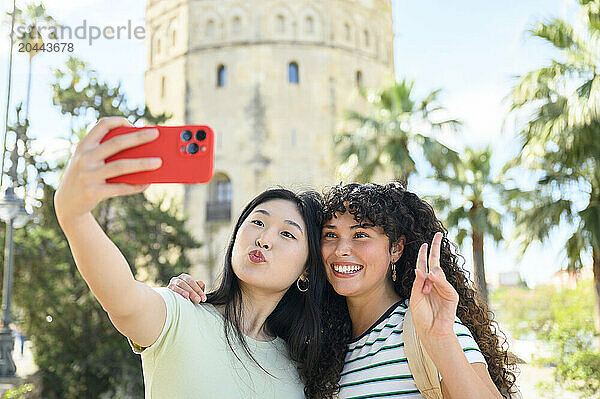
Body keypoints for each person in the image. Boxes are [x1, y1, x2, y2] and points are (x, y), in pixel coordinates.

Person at [54, 116, 344, 398]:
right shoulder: (180, 315)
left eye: (287, 234)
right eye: (258, 222)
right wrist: (74, 216)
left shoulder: (301, 369)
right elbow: (122, 297)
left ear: (307, 269)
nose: (264, 239)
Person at [171, 182, 517, 398]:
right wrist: (184, 297)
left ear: (395, 249)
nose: (341, 250)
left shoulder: (425, 326)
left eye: (361, 235)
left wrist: (441, 340)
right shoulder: (321, 345)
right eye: (331, 235)